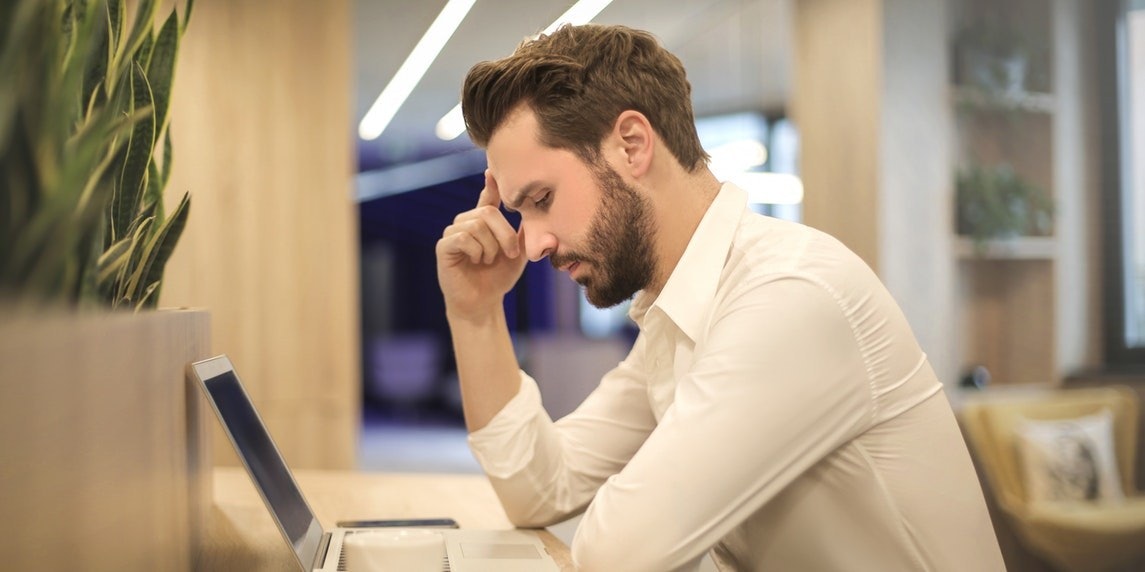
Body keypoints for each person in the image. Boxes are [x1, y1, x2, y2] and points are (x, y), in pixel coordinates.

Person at [435, 23, 1005, 571]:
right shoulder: (677, 316)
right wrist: (477, 313)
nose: (531, 244)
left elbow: (621, 553)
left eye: (542, 198)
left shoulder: (789, 295)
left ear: (631, 145)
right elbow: (541, 490)